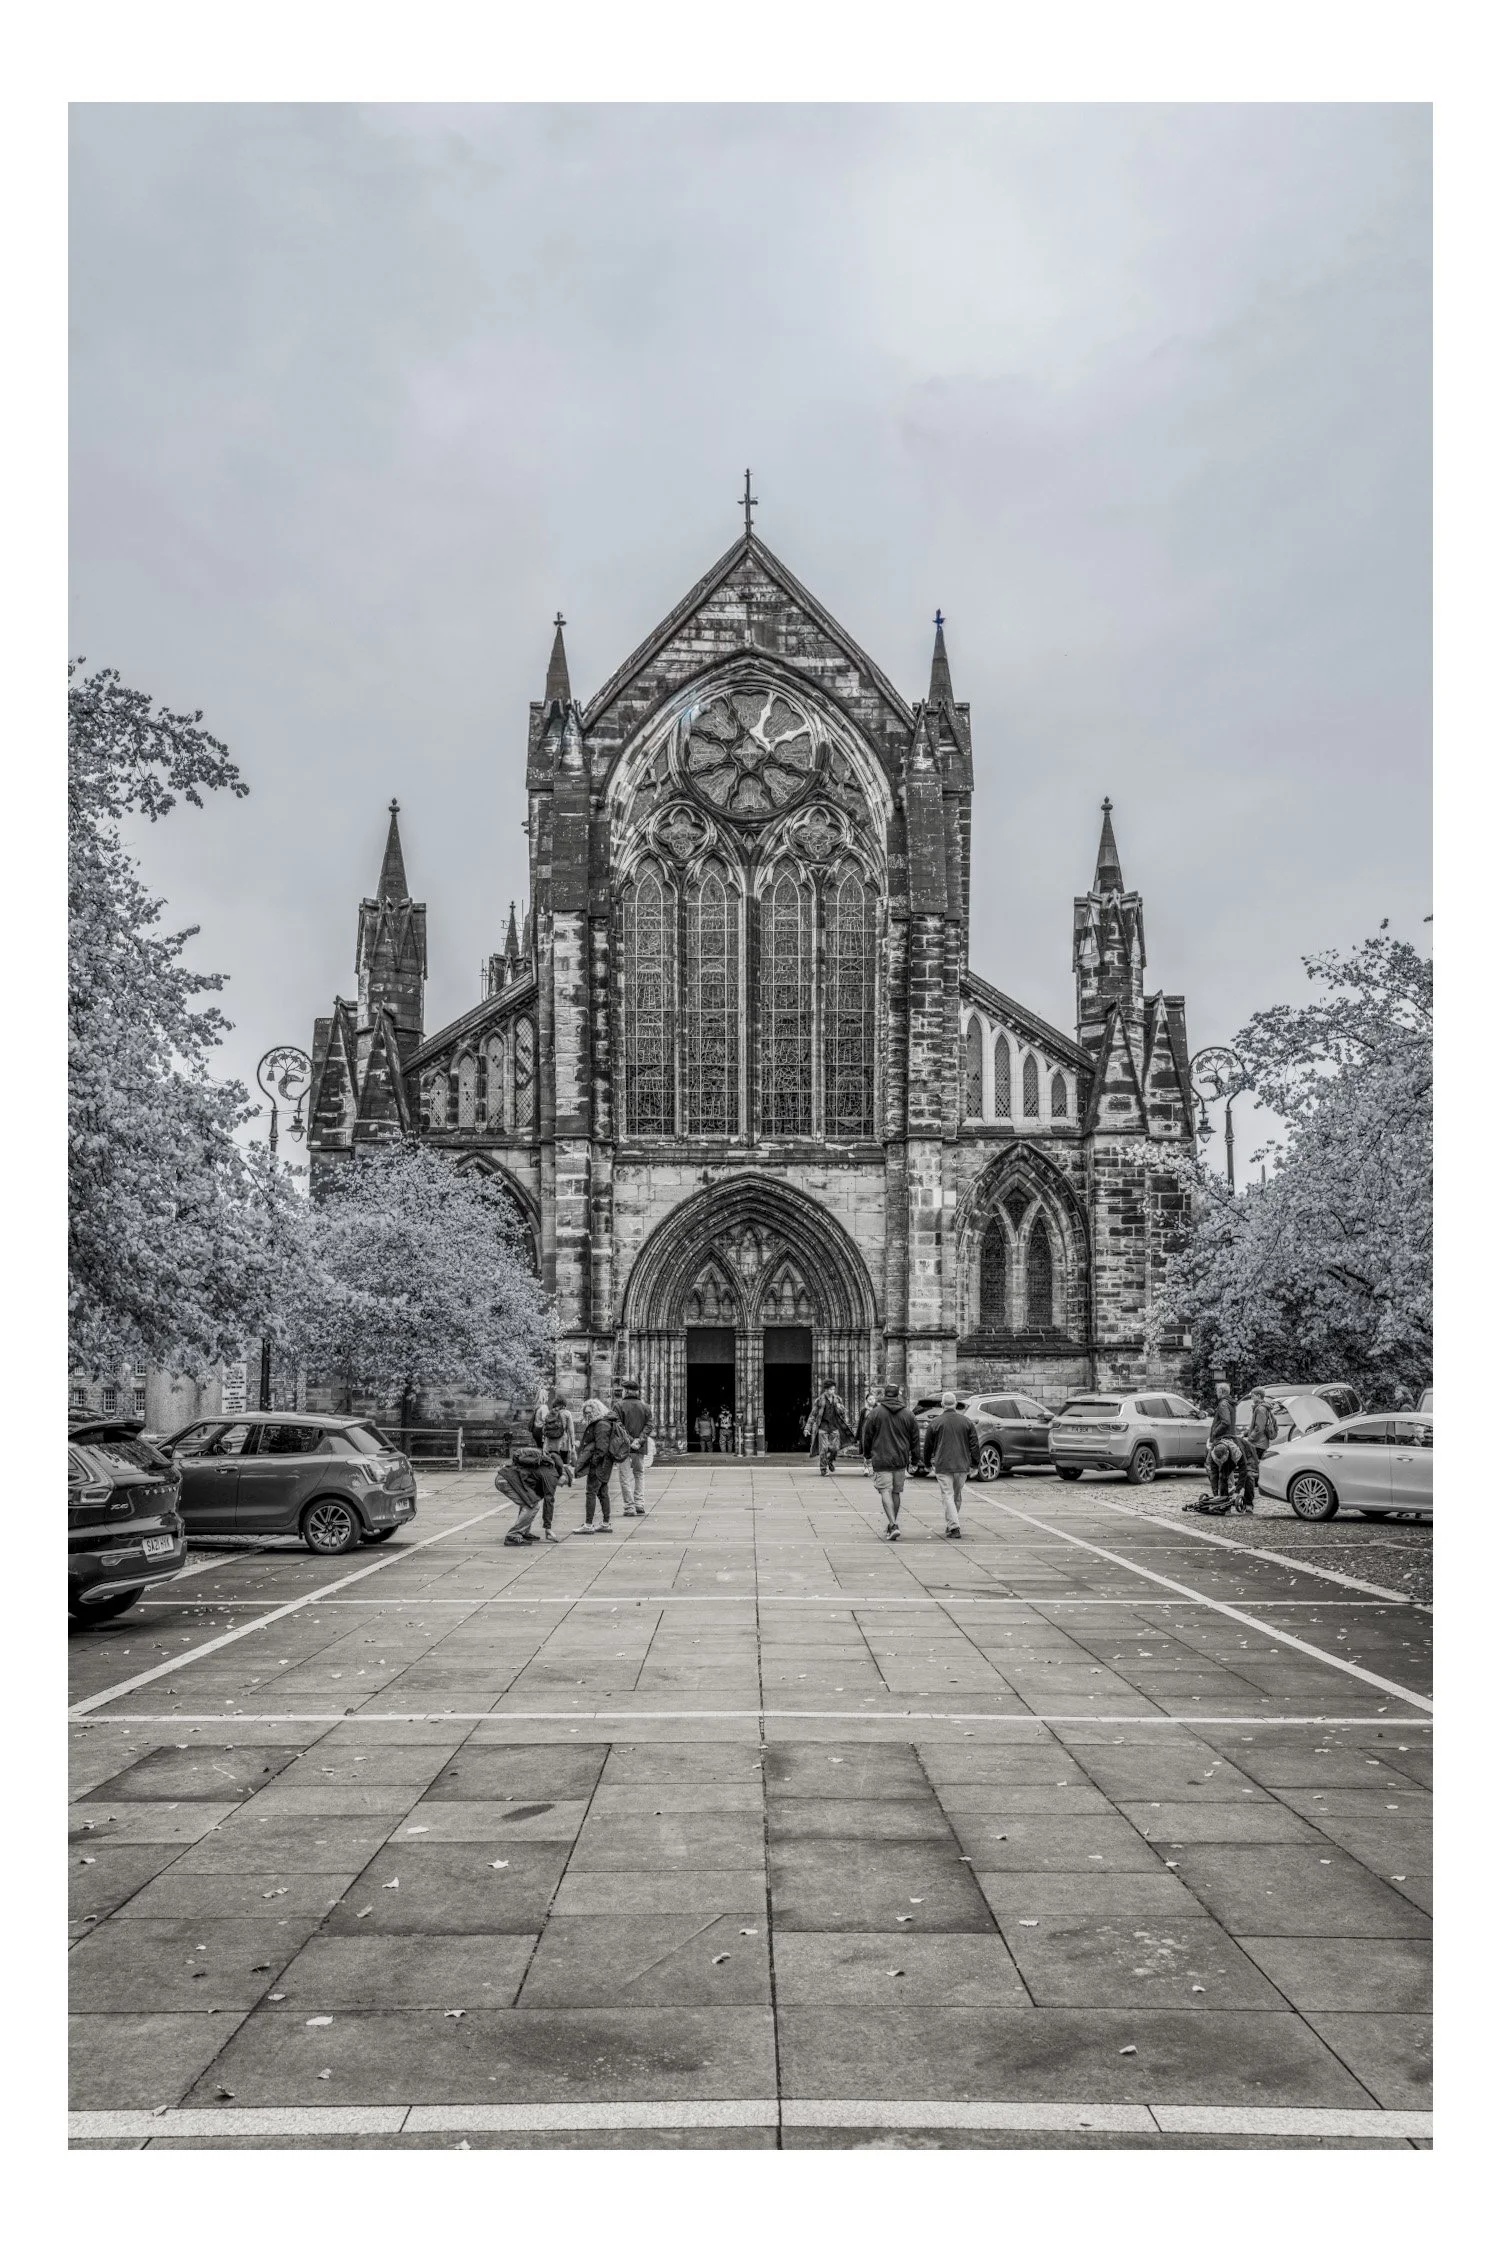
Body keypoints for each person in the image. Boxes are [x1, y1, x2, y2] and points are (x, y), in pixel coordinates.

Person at [861, 1382, 919, 1539]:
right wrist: (915, 1460)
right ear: (898, 1394)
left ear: (885, 1395)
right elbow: (915, 1439)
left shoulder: (875, 1413)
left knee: (885, 1490)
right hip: (900, 1458)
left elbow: (867, 1435)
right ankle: (892, 1524)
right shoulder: (908, 1414)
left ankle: (893, 1524)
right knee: (896, 1491)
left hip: (881, 1457)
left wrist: (867, 1454)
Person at [922, 1389, 981, 1538]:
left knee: (948, 1495)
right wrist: (975, 1464)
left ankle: (954, 1526)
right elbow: (974, 1444)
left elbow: (928, 1446)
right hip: (962, 1465)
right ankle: (952, 1524)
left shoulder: (935, 1423)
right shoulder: (966, 1422)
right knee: (956, 1495)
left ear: (942, 1405)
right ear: (955, 1404)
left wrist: (927, 1463)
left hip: (943, 1464)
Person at [497, 1441, 572, 1545]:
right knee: (532, 1506)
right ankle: (514, 1535)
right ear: (563, 1475)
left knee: (530, 1503)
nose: (562, 1485)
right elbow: (549, 1501)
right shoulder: (552, 1475)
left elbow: (535, 1495)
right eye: (565, 1482)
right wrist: (548, 1528)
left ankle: (523, 1532)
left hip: (506, 1478)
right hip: (507, 1480)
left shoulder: (546, 1468)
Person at [575, 1396, 629, 1532]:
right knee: (602, 1492)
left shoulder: (601, 1425)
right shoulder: (605, 1422)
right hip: (605, 1463)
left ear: (597, 1411)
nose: (587, 1415)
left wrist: (594, 1462)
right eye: (585, 1413)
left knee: (591, 1492)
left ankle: (588, 1525)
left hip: (600, 1464)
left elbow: (601, 1448)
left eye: (590, 1412)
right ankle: (605, 1523)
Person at [617, 1380, 653, 1515]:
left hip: (623, 1447)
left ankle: (629, 1507)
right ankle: (639, 1503)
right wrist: (640, 1440)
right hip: (639, 1447)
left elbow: (618, 1426)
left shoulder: (618, 1406)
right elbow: (649, 1425)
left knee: (624, 1477)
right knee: (639, 1474)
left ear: (626, 1391)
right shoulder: (645, 1406)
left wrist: (630, 1440)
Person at [809, 1378, 852, 1476]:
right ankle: (823, 1469)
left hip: (834, 1426)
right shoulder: (819, 1400)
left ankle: (830, 1461)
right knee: (823, 1449)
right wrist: (808, 1428)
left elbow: (843, 1414)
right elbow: (813, 1414)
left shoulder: (838, 1399)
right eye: (831, 1389)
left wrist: (840, 1409)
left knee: (836, 1448)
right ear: (826, 1389)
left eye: (833, 1389)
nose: (833, 1391)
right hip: (823, 1427)